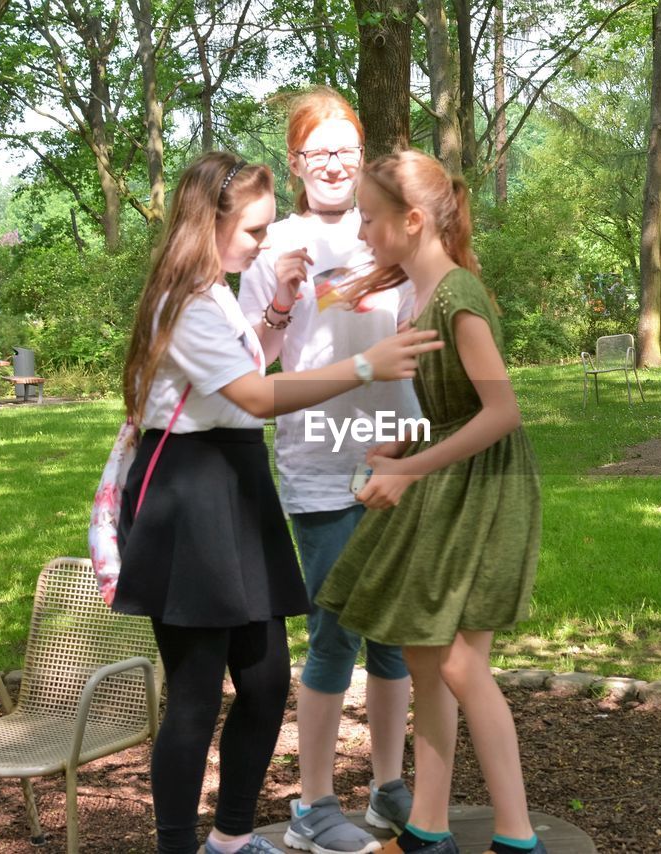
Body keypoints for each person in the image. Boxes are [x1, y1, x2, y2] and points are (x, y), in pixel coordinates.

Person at [113, 151, 441, 854]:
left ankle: (231, 841)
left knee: (264, 683)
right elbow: (257, 397)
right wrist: (362, 366)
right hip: (191, 495)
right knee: (197, 696)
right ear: (211, 223)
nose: (263, 244)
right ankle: (180, 848)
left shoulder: (217, 289)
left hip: (235, 484)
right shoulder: (187, 299)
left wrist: (282, 307)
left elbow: (246, 368)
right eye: (255, 231)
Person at [316, 150, 545, 854]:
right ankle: (428, 828)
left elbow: (501, 412)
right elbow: (455, 410)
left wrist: (413, 473)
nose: (360, 233)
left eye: (370, 218)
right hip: (450, 480)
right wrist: (404, 447)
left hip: (488, 488)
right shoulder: (421, 297)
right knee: (423, 658)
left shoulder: (458, 298)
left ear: (412, 221)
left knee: (459, 665)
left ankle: (517, 837)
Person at [238, 86, 417, 854]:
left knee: (396, 639)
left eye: (348, 147)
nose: (336, 163)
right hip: (319, 464)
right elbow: (250, 370)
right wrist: (280, 300)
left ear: (364, 152)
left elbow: (426, 330)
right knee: (335, 636)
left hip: (400, 451)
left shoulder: (396, 233)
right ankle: (313, 804)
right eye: (320, 151)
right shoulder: (271, 243)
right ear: (297, 161)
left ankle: (387, 787)